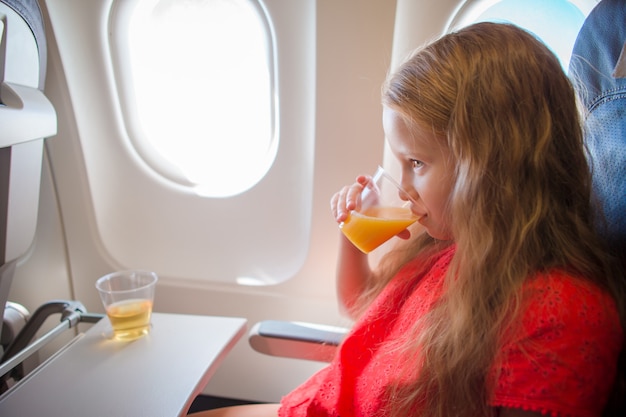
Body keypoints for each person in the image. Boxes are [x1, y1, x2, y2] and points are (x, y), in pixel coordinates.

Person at [190, 22, 625, 417]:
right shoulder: (447, 249)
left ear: (489, 165)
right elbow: (360, 308)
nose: (404, 187)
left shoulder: (560, 316)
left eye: (416, 161)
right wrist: (352, 236)